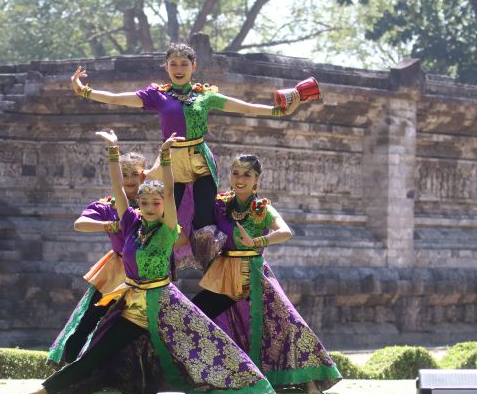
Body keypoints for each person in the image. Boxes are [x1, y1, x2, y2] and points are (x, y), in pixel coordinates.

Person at [16, 133, 274, 394]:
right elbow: (118, 187)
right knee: (97, 351)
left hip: (165, 305)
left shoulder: (167, 230)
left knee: (210, 344)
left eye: (156, 203)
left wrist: (165, 157)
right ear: (137, 204)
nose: (150, 207)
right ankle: (46, 390)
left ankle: (258, 387)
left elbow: (172, 190)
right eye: (145, 202)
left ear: (164, 206)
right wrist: (113, 151)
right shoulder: (129, 224)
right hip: (135, 304)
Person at [70, 43, 320, 248]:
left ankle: (220, 258)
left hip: (200, 159)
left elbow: (245, 106)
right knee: (169, 219)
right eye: (173, 64)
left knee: (204, 218)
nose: (179, 69)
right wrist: (85, 91)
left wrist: (279, 111)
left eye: (184, 64)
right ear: (166, 67)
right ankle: (159, 264)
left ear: (193, 66)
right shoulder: (157, 95)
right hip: (171, 162)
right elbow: (117, 98)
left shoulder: (205, 95)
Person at [191, 154, 342, 394]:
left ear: (256, 180)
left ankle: (308, 378)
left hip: (255, 275)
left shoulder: (261, 207)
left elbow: (285, 231)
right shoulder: (220, 204)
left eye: (247, 175)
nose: (240, 179)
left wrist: (258, 240)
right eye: (236, 173)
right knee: (195, 316)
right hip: (224, 274)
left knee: (286, 324)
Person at [47, 152, 147, 366]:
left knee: (143, 326)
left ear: (143, 177)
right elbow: (79, 224)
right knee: (91, 318)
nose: (129, 180)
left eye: (134, 174)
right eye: (124, 175)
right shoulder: (106, 206)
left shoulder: (153, 203)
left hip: (146, 272)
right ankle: (70, 369)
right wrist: (109, 225)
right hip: (116, 271)